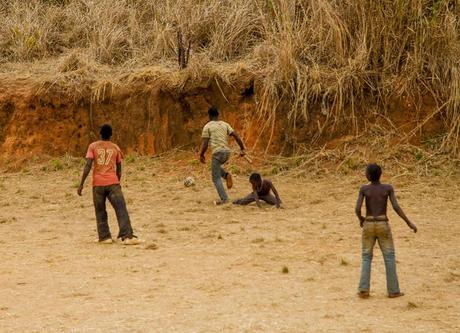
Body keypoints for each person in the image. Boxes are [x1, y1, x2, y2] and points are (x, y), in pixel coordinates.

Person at [355, 163, 417, 298]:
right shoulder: (388, 188)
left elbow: (357, 208)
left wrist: (361, 219)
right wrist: (408, 222)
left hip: (369, 223)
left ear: (369, 176)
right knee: (389, 257)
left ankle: (363, 290)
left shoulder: (364, 189)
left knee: (366, 257)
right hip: (383, 223)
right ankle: (393, 291)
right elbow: (396, 206)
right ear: (380, 174)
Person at [77, 124, 140, 245]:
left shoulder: (93, 146)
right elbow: (119, 169)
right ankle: (127, 236)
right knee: (121, 208)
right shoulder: (115, 148)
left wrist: (81, 184)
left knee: (100, 210)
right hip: (113, 183)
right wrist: (117, 182)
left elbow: (88, 165)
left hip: (98, 184)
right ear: (111, 135)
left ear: (100, 134)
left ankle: (105, 237)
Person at [199, 106, 246, 205]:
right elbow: (236, 136)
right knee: (215, 168)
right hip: (227, 153)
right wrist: (242, 148)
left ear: (209, 116)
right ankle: (226, 175)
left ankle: (224, 199)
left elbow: (205, 144)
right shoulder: (225, 124)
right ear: (218, 115)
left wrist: (201, 155)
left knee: (215, 178)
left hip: (217, 153)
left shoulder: (207, 126)